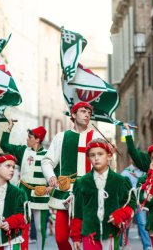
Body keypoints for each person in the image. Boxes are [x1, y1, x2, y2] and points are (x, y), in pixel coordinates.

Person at [41, 101, 102, 250]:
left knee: (87, 237)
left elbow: (105, 164)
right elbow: (47, 161)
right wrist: (51, 177)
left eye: (89, 112)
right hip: (64, 193)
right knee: (61, 238)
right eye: (83, 111)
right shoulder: (62, 137)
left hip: (89, 193)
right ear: (73, 115)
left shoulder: (97, 136)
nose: (87, 114)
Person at [70, 138, 136, 250]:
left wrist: (121, 214)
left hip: (111, 233)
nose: (96, 158)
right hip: (89, 234)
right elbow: (77, 212)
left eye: (100, 154)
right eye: (92, 155)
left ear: (109, 156)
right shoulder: (81, 183)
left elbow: (131, 203)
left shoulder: (120, 181)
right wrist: (76, 237)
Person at [0, 121, 49, 250]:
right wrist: (8, 128)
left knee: (40, 227)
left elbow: (55, 174)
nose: (27, 139)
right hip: (24, 193)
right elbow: (4, 145)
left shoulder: (49, 155)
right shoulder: (23, 151)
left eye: (30, 137)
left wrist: (51, 188)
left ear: (37, 139)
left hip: (41, 194)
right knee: (21, 224)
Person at [121, 160, 152, 250]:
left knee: (142, 223)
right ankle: (122, 243)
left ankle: (147, 246)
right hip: (129, 202)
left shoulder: (144, 172)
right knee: (125, 223)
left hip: (139, 202)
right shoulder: (125, 172)